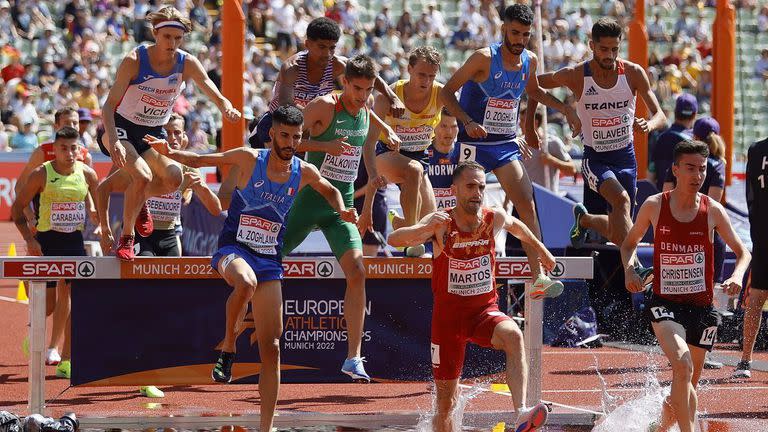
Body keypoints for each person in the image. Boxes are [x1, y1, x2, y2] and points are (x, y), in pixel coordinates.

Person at [149, 104, 357, 432]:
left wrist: (344, 209)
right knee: (244, 283)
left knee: (272, 347)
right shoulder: (249, 159)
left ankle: (265, 427)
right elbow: (202, 160)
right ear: (272, 134)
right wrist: (170, 152)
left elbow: (330, 189)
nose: (290, 142)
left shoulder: (303, 172)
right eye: (285, 135)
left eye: (296, 137)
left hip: (269, 261)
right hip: (233, 250)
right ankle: (229, 343)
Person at [388, 161, 553, 432]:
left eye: (481, 187)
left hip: (483, 313)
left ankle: (521, 412)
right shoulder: (441, 224)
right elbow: (395, 239)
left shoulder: (492, 218)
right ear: (454, 190)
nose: (477, 193)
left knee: (514, 335)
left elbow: (518, 227)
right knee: (445, 405)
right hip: (448, 323)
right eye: (470, 187)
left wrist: (542, 251)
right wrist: (423, 228)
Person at [439, 3, 579, 296]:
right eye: (514, 33)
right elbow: (445, 92)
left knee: (526, 202)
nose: (519, 40)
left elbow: (534, 93)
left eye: (525, 35)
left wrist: (557, 112)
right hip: (473, 144)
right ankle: (449, 262)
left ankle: (538, 276)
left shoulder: (530, 59)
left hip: (503, 145)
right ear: (504, 29)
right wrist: (467, 120)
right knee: (464, 206)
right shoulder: (483, 59)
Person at [281, 55, 399, 381]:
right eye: (357, 88)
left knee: (358, 272)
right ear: (344, 81)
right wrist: (323, 144)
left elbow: (366, 135)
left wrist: (366, 206)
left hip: (342, 205)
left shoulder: (366, 106)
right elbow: (282, 139)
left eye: (368, 90)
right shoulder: (322, 107)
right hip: (308, 200)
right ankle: (231, 342)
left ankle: (353, 358)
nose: (362, 96)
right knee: (266, 262)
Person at [620, 140, 750, 432]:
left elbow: (744, 253)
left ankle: (659, 428)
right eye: (690, 168)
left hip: (702, 309)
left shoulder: (713, 210)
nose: (697, 175)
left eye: (702, 169)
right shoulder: (655, 206)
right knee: (683, 365)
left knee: (685, 383)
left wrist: (737, 276)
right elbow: (629, 245)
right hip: (665, 304)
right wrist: (630, 270)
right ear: (675, 169)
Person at [99, 6, 240, 261]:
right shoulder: (135, 60)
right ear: (155, 33)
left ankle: (140, 200)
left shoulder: (186, 62)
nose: (172, 43)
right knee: (141, 175)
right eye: (167, 37)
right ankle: (127, 238)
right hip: (119, 126)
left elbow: (208, 86)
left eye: (178, 38)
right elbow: (108, 106)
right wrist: (116, 143)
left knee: (174, 178)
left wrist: (225, 106)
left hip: (151, 132)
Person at [530, 18, 667, 270]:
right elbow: (533, 84)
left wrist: (650, 124)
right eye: (604, 49)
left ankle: (586, 221)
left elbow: (660, 113)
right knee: (622, 200)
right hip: (596, 158)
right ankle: (635, 269)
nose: (610, 55)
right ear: (592, 45)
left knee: (619, 233)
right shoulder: (577, 75)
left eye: (615, 49)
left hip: (626, 158)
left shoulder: (633, 73)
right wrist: (566, 109)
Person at [11, 126, 100, 380]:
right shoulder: (42, 174)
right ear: (55, 149)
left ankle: (68, 359)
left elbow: (100, 201)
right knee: (47, 307)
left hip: (74, 243)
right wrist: (30, 240)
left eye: (74, 148)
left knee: (75, 299)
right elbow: (17, 210)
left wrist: (102, 224)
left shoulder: (88, 174)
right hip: (47, 243)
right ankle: (34, 322)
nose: (70, 153)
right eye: (64, 148)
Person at [248, 17, 404, 149]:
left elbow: (370, 76)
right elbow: (285, 105)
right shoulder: (292, 68)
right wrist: (318, 113)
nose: (327, 54)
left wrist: (393, 98)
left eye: (332, 48)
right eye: (321, 47)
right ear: (307, 44)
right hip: (278, 125)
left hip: (312, 125)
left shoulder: (338, 64)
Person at [97, 113, 222, 259]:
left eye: (177, 133)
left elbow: (216, 209)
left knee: (171, 279)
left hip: (169, 235)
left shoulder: (189, 168)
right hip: (140, 235)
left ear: (185, 137)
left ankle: (142, 198)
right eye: (167, 133)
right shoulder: (141, 163)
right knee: (145, 276)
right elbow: (104, 187)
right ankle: (139, 207)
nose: (172, 138)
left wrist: (201, 188)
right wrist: (104, 227)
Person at [367, 46, 444, 243]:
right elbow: (370, 140)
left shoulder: (441, 94)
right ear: (409, 69)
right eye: (421, 75)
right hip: (386, 154)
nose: (426, 81)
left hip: (420, 156)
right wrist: (373, 175)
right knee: (414, 169)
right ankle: (409, 238)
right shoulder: (389, 95)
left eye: (431, 76)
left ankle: (401, 224)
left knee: (432, 224)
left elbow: (462, 113)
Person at [733, 134, 768, 379]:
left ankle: (745, 360)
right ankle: (745, 359)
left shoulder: (756, 150)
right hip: (764, 238)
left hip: (762, 235)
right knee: (756, 297)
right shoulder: (756, 150)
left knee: (756, 298)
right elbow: (751, 197)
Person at [520, 106, 578, 194]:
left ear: (534, 123)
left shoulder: (552, 143)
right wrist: (506, 204)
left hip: (546, 198)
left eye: (523, 121)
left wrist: (552, 160)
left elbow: (572, 170)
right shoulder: (520, 143)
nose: (519, 124)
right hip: (525, 198)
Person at [651, 93, 697, 192]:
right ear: (695, 114)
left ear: (675, 112)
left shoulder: (661, 138)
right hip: (687, 202)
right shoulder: (695, 141)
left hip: (662, 201)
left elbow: (650, 173)